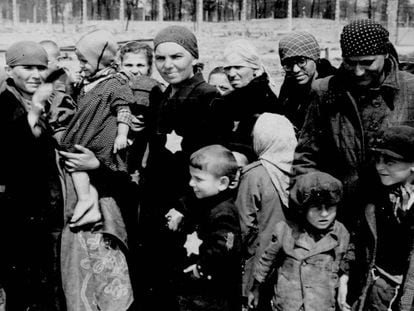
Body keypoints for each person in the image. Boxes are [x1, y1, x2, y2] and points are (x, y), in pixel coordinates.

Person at [138, 25, 229, 310]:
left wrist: (185, 207)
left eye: (176, 57)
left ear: (194, 57)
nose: (167, 65)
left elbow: (213, 164)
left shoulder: (208, 97)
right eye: (160, 58)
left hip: (187, 209)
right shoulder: (165, 95)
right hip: (159, 206)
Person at [292, 19, 414, 230]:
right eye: (350, 62)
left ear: (385, 54)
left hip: (398, 215)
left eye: (367, 62)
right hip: (340, 213)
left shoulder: (410, 91)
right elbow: (306, 156)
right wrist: (310, 203)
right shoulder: (324, 91)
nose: (358, 71)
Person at [58, 29, 135, 311]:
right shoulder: (87, 83)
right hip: (86, 137)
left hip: (102, 141)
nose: (81, 64)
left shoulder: (115, 84)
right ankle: (88, 201)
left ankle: (90, 202)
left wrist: (121, 134)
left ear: (101, 59)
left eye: (84, 59)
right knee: (76, 160)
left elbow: (123, 110)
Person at [0, 40, 65, 310]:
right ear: (9, 69)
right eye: (27, 68)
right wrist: (32, 118)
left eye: (41, 68)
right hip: (16, 209)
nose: (36, 75)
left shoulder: (43, 102)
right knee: (20, 285)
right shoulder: (4, 105)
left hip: (44, 207)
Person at [248, 171, 351, 311]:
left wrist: (342, 288)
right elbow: (267, 261)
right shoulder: (286, 230)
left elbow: (343, 264)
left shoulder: (340, 233)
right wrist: (255, 289)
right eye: (317, 208)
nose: (324, 214)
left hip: (321, 304)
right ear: (303, 209)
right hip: (289, 303)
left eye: (330, 207)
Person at [235, 113, 297, 311]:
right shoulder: (300, 172)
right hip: (289, 261)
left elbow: (244, 225)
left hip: (257, 262)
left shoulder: (254, 175)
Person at [350, 125, 414, 311]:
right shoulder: (378, 199)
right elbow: (360, 242)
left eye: (389, 162)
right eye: (377, 160)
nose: (380, 167)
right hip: (375, 289)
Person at [176, 144, 241, 311]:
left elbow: (226, 248)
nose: (191, 183)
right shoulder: (208, 199)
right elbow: (189, 204)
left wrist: (201, 269)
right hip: (198, 287)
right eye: (191, 177)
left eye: (199, 179)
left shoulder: (224, 213)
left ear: (222, 183)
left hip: (213, 291)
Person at [118, 41, 164, 182]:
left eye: (140, 65)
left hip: (146, 145)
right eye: (129, 65)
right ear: (120, 66)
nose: (134, 70)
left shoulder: (156, 88)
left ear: (149, 68)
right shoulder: (116, 87)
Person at [221, 39, 279, 149]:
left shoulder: (259, 98)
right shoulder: (239, 96)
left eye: (238, 67)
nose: (232, 74)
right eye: (227, 68)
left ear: (255, 69)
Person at [277, 31, 337, 134]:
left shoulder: (332, 83)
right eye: (289, 64)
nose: (295, 70)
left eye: (301, 62)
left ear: (315, 59)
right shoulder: (290, 80)